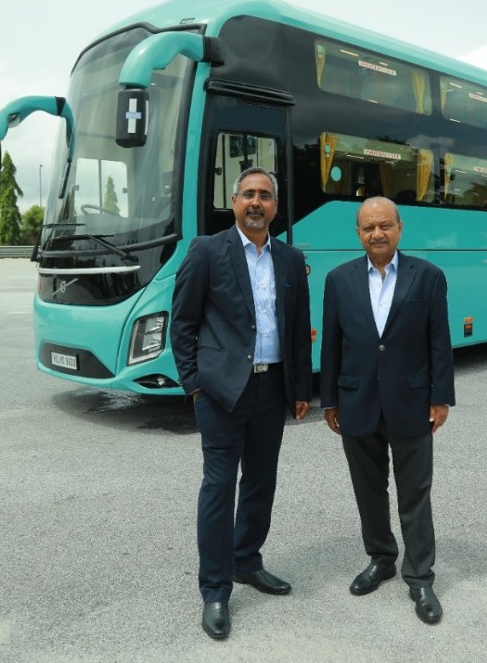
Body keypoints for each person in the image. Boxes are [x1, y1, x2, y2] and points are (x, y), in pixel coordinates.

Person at [171, 167, 312, 640]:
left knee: (261, 482)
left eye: (265, 196)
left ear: (276, 205)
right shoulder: (207, 251)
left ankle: (247, 561)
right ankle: (215, 590)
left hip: (272, 389)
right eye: (248, 194)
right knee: (218, 485)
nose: (257, 202)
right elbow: (183, 322)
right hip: (221, 392)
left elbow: (297, 329)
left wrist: (299, 391)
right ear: (233, 202)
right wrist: (193, 384)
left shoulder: (291, 260)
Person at [319, 196, 455, 625]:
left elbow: (439, 340)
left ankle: (420, 577)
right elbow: (332, 344)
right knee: (369, 490)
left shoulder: (428, 277)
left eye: (384, 226)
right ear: (358, 234)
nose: (377, 234)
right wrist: (330, 399)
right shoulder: (338, 280)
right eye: (367, 228)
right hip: (356, 400)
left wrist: (440, 396)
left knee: (415, 493)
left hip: (412, 401)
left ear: (400, 227)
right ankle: (381, 559)